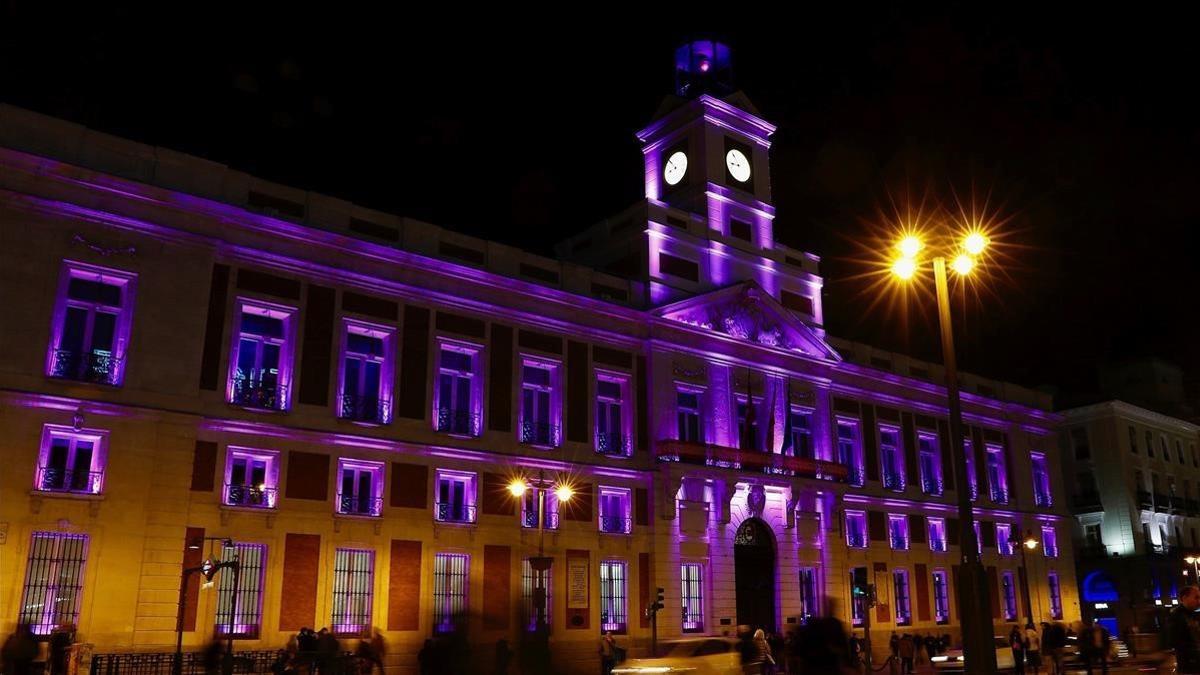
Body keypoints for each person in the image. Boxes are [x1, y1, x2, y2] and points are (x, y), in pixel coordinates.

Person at [1171, 585, 1200, 673]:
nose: (1199, 601)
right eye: (1196, 597)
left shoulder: (1193, 615)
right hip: (1189, 668)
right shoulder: (1176, 616)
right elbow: (1176, 642)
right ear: (1184, 598)